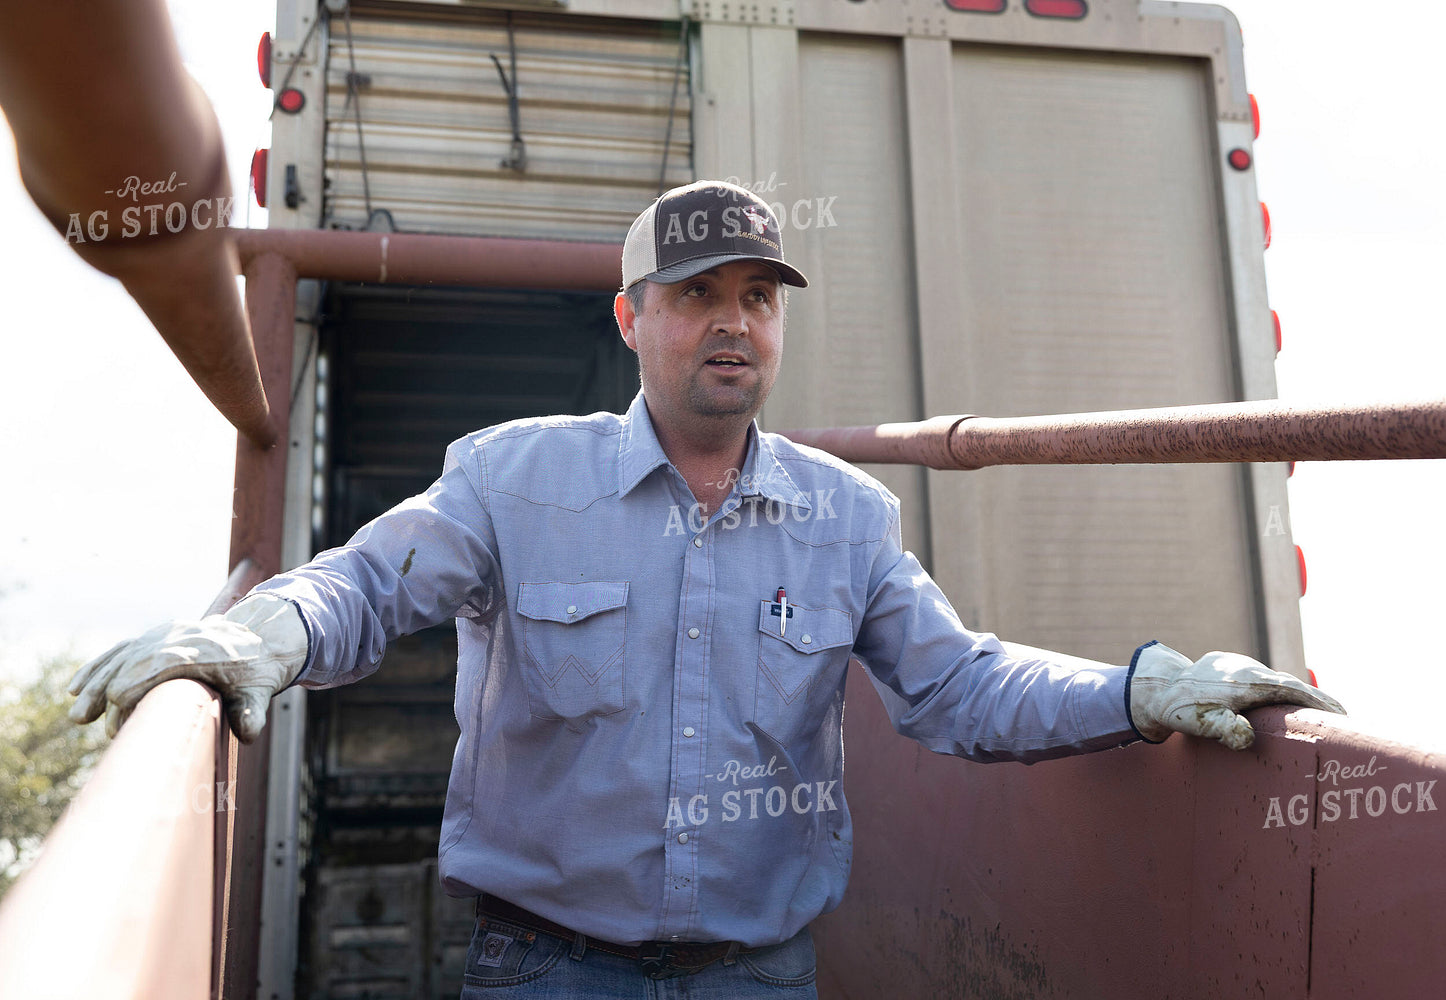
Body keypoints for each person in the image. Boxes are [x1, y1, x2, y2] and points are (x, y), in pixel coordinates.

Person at [67, 179, 1344, 996]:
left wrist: (1143, 686)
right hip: (545, 969)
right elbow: (358, 586)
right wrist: (255, 638)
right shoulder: (512, 481)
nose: (732, 323)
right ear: (631, 318)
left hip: (762, 973)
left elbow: (958, 684)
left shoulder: (846, 516)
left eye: (756, 299)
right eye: (696, 298)